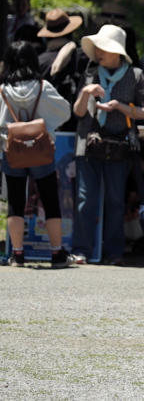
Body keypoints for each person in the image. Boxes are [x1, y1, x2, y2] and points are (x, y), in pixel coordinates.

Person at [70, 25, 144, 266]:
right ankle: (81, 250)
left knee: (116, 199)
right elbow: (78, 112)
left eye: (103, 47)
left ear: (117, 51)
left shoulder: (135, 75)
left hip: (119, 145)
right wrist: (86, 92)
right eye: (97, 47)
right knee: (85, 198)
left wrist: (120, 107)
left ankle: (114, 251)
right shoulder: (90, 73)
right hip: (88, 142)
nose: (98, 52)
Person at [0, 41, 72, 268]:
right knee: (50, 200)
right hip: (41, 149)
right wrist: (45, 125)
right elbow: (65, 111)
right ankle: (56, 253)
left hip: (12, 150)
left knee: (15, 201)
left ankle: (18, 254)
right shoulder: (43, 87)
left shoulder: (2, 90)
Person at [36, 8, 88, 132]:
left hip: (48, 126)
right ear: (70, 31)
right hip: (78, 125)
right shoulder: (82, 56)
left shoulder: (39, 61)